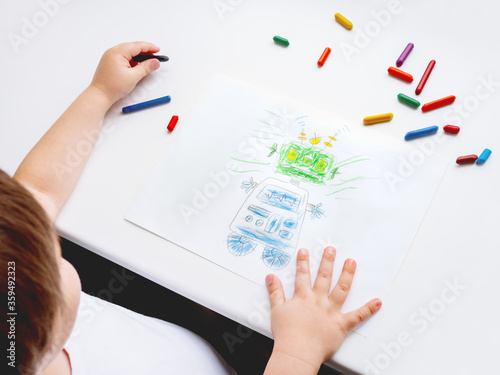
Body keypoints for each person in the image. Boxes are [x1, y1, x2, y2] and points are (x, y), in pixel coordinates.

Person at [0, 41, 381, 375]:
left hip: (184, 345)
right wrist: (300, 352)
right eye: (55, 257)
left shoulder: (19, 294)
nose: (57, 249)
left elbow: (37, 190)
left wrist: (99, 93)